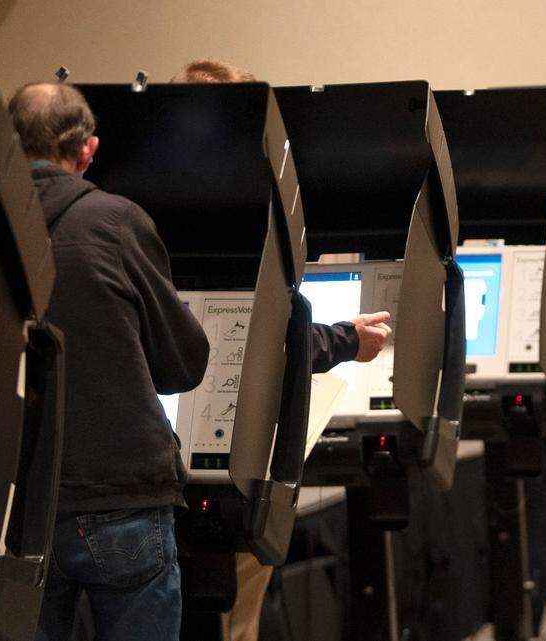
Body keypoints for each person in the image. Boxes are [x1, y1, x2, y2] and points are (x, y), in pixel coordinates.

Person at [168, 58, 392, 641]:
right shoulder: (249, 218)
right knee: (234, 622)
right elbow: (268, 337)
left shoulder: (145, 212)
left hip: (153, 472)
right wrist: (348, 339)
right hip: (230, 468)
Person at [11, 82, 209, 641]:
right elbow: (184, 363)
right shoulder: (114, 222)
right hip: (125, 502)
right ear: (87, 150)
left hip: (20, 509)